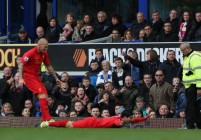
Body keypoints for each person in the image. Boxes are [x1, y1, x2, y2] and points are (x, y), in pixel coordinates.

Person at [18, 38, 61, 122]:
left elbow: (48, 66)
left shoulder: (44, 54)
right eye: (45, 47)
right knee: (42, 96)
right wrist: (20, 78)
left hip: (36, 77)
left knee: (45, 98)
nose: (46, 49)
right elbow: (21, 64)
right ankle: (48, 119)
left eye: (47, 47)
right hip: (29, 77)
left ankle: (45, 120)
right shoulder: (30, 53)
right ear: (39, 45)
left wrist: (56, 78)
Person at [40, 109, 150, 128]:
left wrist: (145, 118)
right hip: (91, 123)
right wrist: (120, 124)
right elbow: (117, 123)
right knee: (70, 125)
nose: (131, 119)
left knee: (69, 123)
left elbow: (134, 120)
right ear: (125, 117)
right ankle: (48, 123)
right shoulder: (118, 120)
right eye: (129, 117)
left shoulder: (121, 117)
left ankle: (51, 123)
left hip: (93, 121)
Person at [180, 42, 201, 129]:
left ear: (188, 48)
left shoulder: (194, 57)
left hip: (193, 85)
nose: (182, 52)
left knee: (189, 106)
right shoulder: (188, 56)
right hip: (188, 85)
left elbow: (199, 72)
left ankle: (190, 125)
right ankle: (199, 124)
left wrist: (199, 87)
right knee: (193, 106)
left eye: (183, 50)